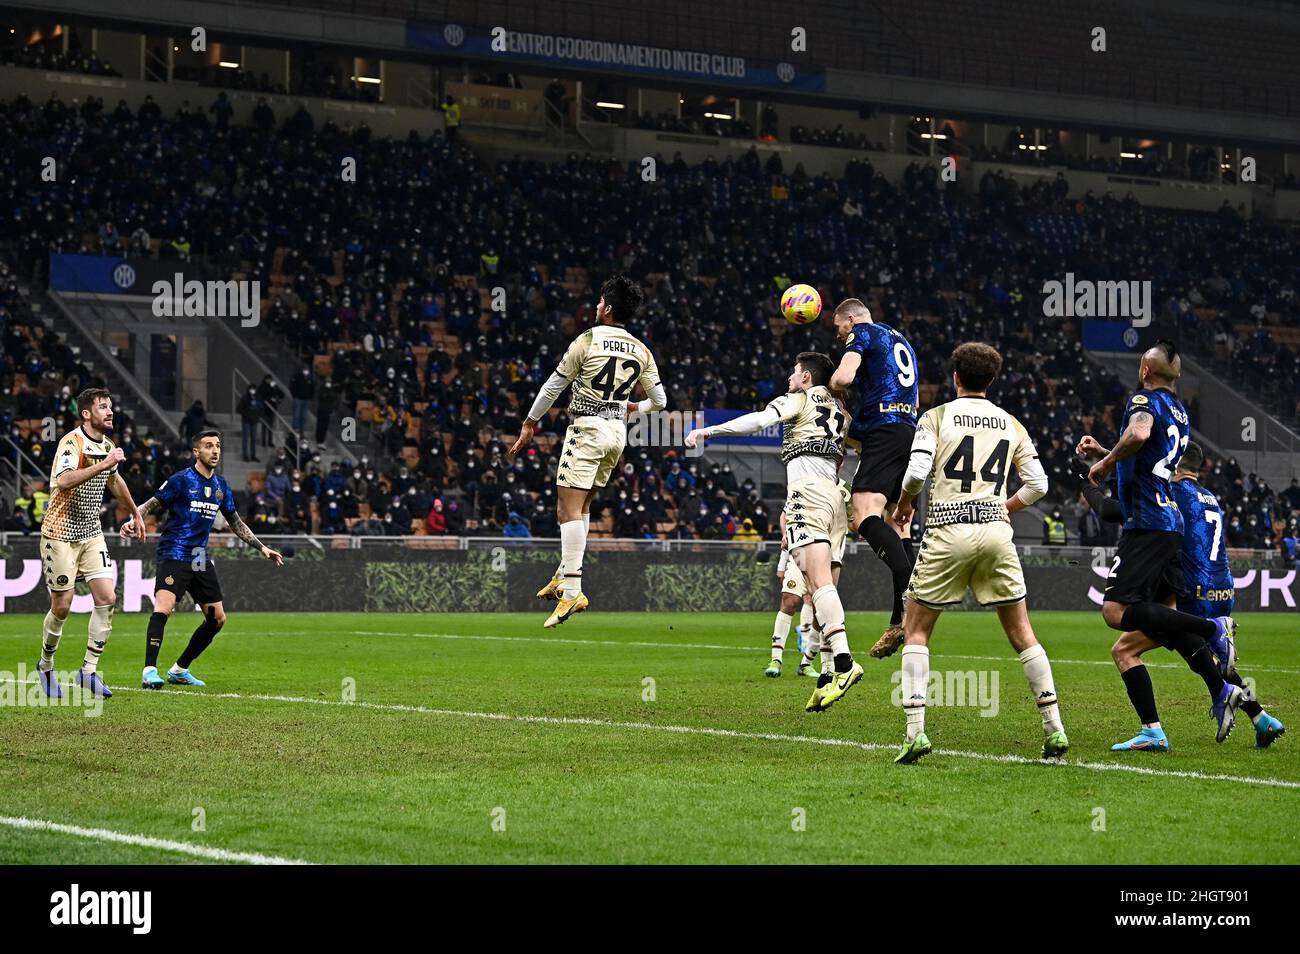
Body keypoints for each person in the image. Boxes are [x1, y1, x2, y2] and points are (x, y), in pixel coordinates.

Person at [889, 343, 1067, 764]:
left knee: (916, 630)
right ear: (991, 379)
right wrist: (1004, 506)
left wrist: (904, 505)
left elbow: (916, 472)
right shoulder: (1011, 423)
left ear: (955, 377)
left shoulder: (935, 417)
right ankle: (1055, 728)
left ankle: (915, 733)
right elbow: (1039, 485)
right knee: (1022, 632)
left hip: (949, 527)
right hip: (995, 530)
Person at [1075, 341, 1244, 749]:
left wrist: (1102, 463)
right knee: (1158, 622)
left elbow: (1137, 434)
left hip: (1147, 522)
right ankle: (1173, 719)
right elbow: (1150, 458)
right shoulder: (1181, 413)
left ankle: (1212, 628)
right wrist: (1106, 449)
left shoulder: (1143, 399)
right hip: (1166, 520)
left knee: (1116, 612)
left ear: (1146, 371)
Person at [1075, 444, 1284, 749]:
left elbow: (1117, 509)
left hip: (1192, 589)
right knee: (1206, 658)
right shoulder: (1209, 497)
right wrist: (1107, 453)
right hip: (1221, 588)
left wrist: (1090, 479)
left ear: (1173, 463)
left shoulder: (1175, 494)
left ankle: (1153, 731)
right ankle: (1262, 718)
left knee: (1125, 650)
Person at [689, 353, 864, 714]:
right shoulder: (841, 411)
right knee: (822, 588)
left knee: (818, 586)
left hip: (808, 494)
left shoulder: (799, 398)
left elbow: (758, 420)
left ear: (804, 376)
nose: (788, 377)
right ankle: (829, 671)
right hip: (836, 496)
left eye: (792, 371)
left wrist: (708, 430)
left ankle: (844, 666)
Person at [509, 276, 666, 629]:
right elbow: (660, 402)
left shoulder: (587, 340)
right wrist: (631, 410)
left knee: (567, 511)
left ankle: (572, 590)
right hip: (616, 434)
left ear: (607, 308)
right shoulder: (642, 350)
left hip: (587, 428)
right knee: (582, 507)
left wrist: (530, 423)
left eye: (599, 302)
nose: (596, 307)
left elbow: (553, 386)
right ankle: (563, 575)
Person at [123, 429, 283, 688]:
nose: (215, 450)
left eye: (218, 445)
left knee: (217, 618)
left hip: (199, 557)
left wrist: (261, 547)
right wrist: (134, 519)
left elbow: (236, 522)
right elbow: (152, 503)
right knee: (164, 607)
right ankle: (149, 671)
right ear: (196, 452)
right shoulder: (181, 480)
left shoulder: (221, 487)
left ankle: (179, 669)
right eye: (208, 446)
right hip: (175, 551)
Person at [35, 388, 146, 700]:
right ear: (86, 414)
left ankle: (88, 671)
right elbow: (65, 480)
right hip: (59, 533)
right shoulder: (71, 442)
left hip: (91, 532)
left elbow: (115, 481)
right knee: (63, 606)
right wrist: (105, 462)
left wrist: (136, 513)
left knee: (107, 597)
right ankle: (45, 665)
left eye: (110, 406)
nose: (110, 412)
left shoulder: (107, 445)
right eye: (102, 407)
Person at [828, 297, 920, 659]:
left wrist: (835, 387)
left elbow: (844, 376)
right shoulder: (901, 340)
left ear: (851, 319)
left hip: (885, 430)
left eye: (838, 328)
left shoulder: (862, 333)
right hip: (908, 432)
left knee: (863, 513)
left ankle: (911, 593)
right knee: (900, 522)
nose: (839, 335)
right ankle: (902, 618)